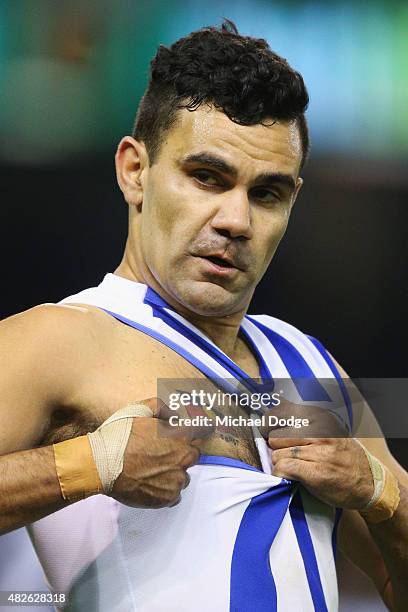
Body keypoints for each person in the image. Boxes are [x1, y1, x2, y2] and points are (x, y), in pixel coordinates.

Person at [0, 20, 407, 611]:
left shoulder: (311, 365)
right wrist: (89, 465)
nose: (235, 221)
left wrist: (378, 495)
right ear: (134, 171)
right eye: (206, 178)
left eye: (265, 193)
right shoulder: (57, 342)